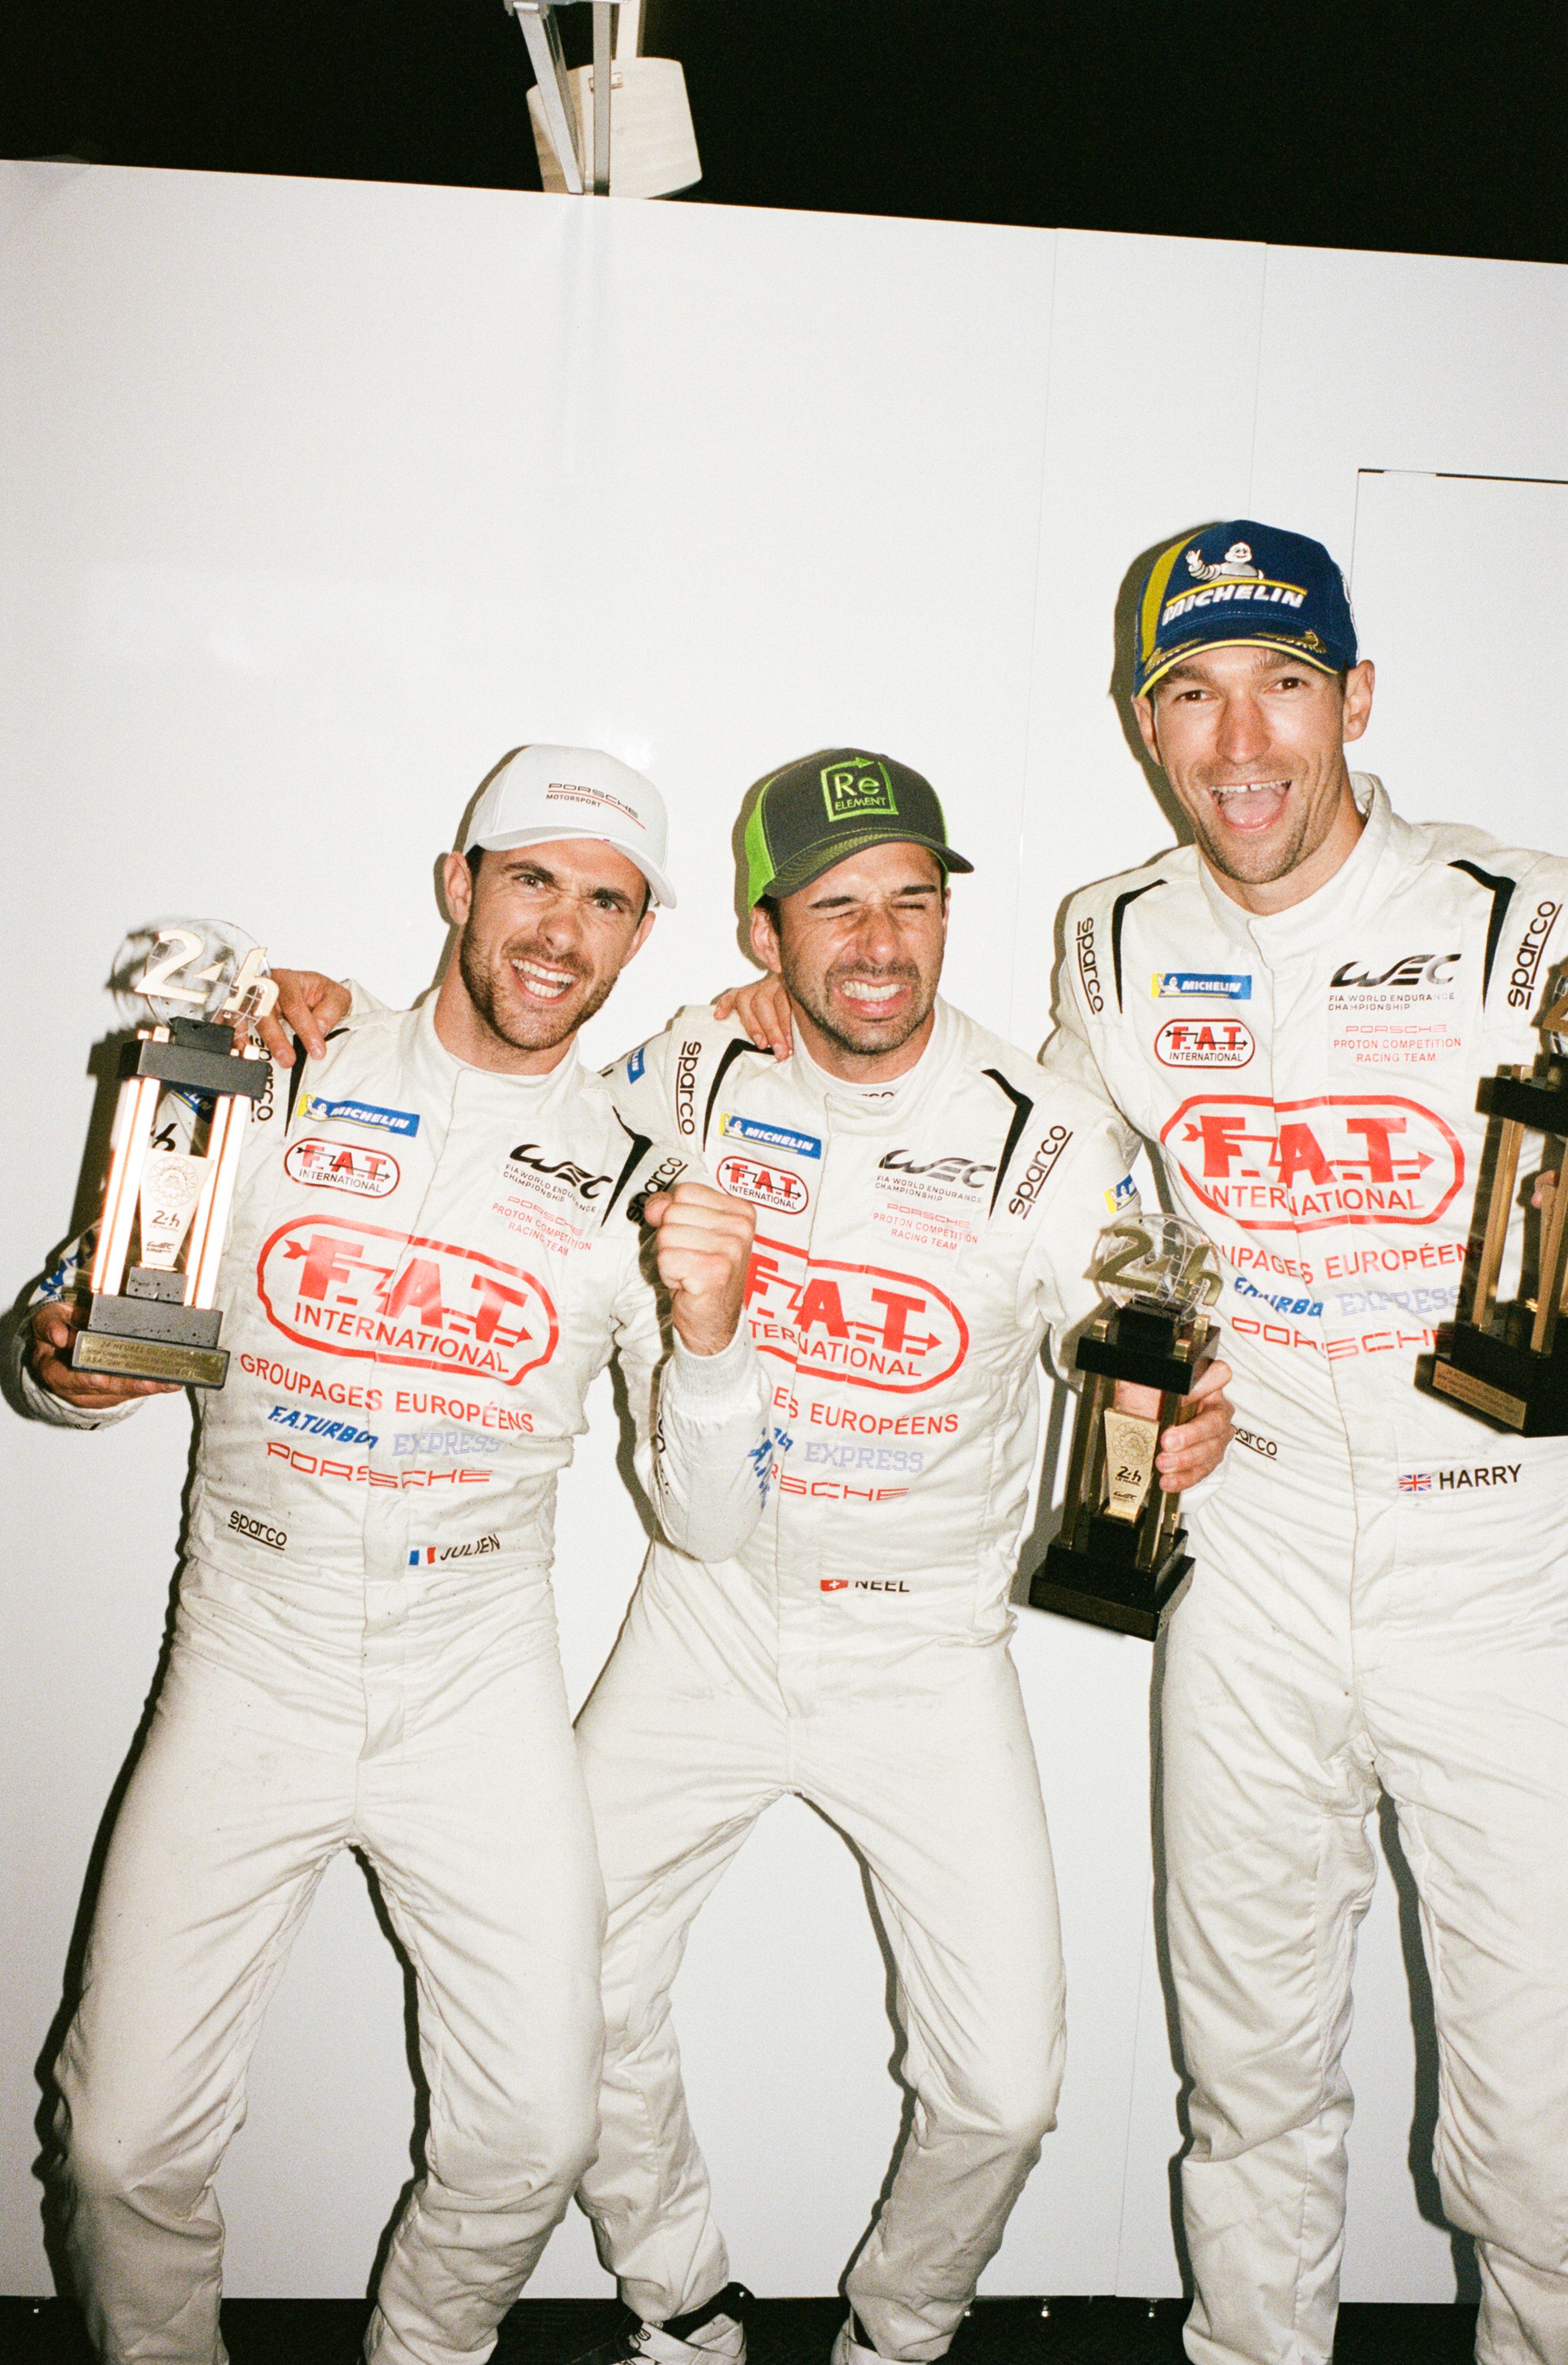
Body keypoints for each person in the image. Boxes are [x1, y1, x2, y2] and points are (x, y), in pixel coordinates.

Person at [271, 745, 1235, 2365]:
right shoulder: (686, 1074)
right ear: (764, 932)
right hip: (706, 1612)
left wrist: (1188, 1417)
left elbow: (1149, 1327)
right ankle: (682, 2293)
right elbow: (488, 1073)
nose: (880, 943)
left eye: (913, 902)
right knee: (566, 1995)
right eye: (837, 906)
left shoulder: (1053, 1132)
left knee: (1002, 2086)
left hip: (928, 1643)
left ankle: (900, 2333)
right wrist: (313, 1008)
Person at [732, 535, 1568, 2365]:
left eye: (1282, 683)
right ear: (1145, 724)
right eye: (1193, 692)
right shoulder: (1113, 941)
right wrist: (772, 1045)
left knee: (1543, 2148)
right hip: (1247, 1554)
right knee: (1249, 2074)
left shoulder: (1530, 915)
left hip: (1504, 1564)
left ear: (1357, 698)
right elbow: (1050, 1180)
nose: (1240, 738)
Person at [18, 745, 772, 2365]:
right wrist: (58, 1363)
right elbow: (78, 1326)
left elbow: (708, 1519)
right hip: (249, 1639)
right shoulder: (267, 1062)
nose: (562, 930)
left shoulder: (653, 1162)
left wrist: (712, 1346)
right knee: (119, 2138)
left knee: (535, 2132)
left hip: (474, 1669)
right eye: (531, 881)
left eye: (608, 901)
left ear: (640, 937)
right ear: (460, 885)